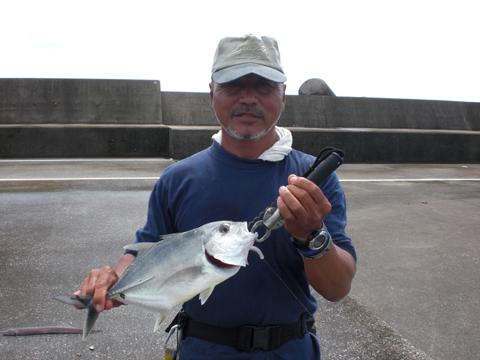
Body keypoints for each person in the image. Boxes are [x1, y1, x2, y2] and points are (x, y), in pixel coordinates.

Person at [76, 34, 356, 359]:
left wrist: (312, 237)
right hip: (201, 349)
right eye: (233, 85)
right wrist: (112, 280)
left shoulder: (314, 179)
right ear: (212, 93)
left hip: (291, 349)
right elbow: (145, 251)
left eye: (264, 86)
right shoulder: (177, 179)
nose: (248, 98)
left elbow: (337, 289)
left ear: (283, 95)